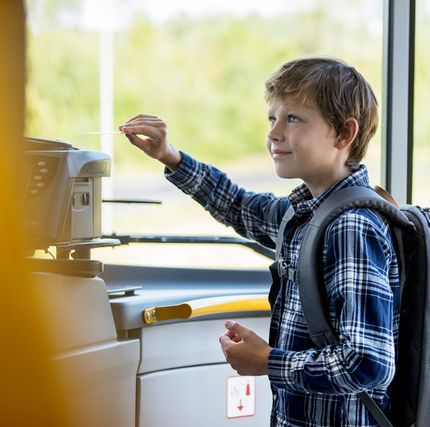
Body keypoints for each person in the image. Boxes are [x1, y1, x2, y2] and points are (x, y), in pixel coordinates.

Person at [120, 57, 400, 427]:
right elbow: (237, 205)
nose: (273, 133)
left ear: (344, 134)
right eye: (273, 118)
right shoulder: (308, 213)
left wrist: (268, 361)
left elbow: (368, 364)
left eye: (293, 119)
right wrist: (170, 157)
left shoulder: (351, 227)